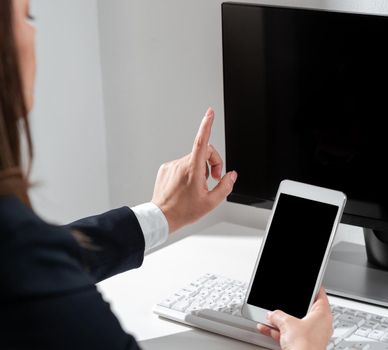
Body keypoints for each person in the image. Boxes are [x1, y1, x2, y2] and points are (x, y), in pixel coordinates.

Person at [0, 0, 333, 349]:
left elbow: (54, 262)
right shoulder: (18, 256)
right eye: (27, 16)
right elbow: (37, 269)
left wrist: (161, 214)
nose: (35, 33)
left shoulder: (22, 256)